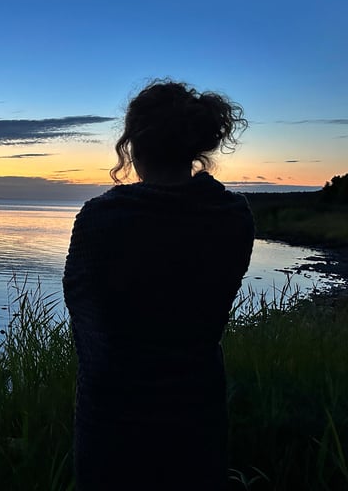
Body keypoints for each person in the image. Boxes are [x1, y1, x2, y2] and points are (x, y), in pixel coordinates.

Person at [63, 80, 255, 490]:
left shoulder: (101, 218)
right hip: (198, 404)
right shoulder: (234, 216)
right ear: (195, 145)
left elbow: (83, 310)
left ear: (133, 145)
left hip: (112, 412)